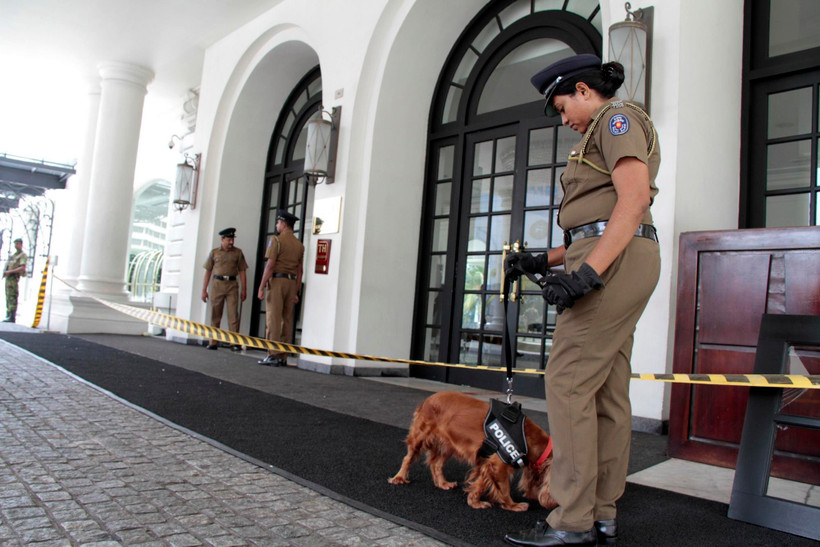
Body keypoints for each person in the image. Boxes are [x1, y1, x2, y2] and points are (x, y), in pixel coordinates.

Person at [503, 54, 661, 547]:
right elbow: (598, 220)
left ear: (583, 90)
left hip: (612, 260)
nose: (562, 116)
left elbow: (632, 202)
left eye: (561, 104)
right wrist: (544, 260)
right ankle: (602, 514)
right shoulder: (600, 133)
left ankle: (571, 519)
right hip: (615, 254)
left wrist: (588, 274)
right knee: (606, 393)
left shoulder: (616, 120)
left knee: (568, 381)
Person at [256, 210, 304, 367]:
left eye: (278, 222)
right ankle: (283, 355)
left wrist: (261, 286)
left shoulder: (276, 240)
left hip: (277, 281)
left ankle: (273, 354)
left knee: (273, 319)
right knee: (287, 320)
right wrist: (296, 291)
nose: (277, 225)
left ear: (283, 224)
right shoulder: (299, 245)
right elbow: (300, 271)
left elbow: (270, 265)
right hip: (291, 283)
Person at [202, 227, 249, 350]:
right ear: (222, 239)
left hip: (232, 285)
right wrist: (204, 290)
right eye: (229, 239)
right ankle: (213, 341)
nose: (231, 242)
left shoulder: (238, 253)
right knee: (215, 314)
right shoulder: (214, 253)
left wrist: (244, 289)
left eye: (232, 239)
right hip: (217, 284)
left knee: (233, 315)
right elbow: (208, 271)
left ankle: (234, 342)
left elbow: (242, 271)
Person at [3, 238, 28, 323]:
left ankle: (12, 316)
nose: (16, 246)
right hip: (8, 278)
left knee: (12, 296)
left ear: (21, 244)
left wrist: (10, 272)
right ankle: (8, 313)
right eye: (15, 244)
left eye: (17, 244)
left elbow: (22, 267)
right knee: (8, 295)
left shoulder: (22, 255)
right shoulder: (13, 255)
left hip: (14, 278)